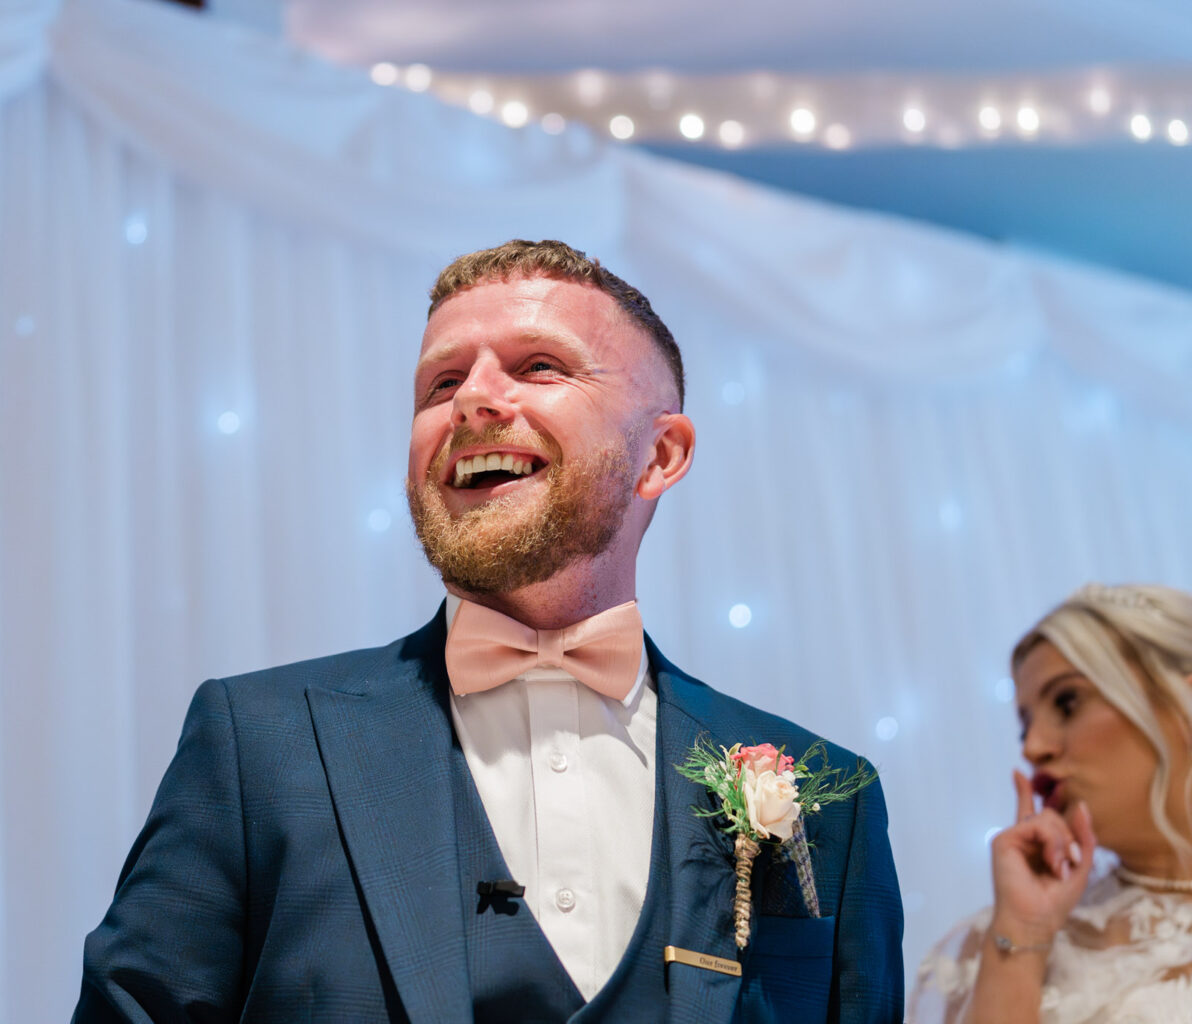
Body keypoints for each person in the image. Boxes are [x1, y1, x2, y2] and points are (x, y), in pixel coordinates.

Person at [72, 240, 903, 1022]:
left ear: (661, 456)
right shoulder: (258, 746)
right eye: (439, 386)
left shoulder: (832, 796)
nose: (472, 400)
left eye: (539, 367)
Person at [911, 583, 1192, 1023]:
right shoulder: (991, 944)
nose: (1033, 748)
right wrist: (1023, 936)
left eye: (1067, 702)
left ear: (1181, 703)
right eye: (1024, 727)